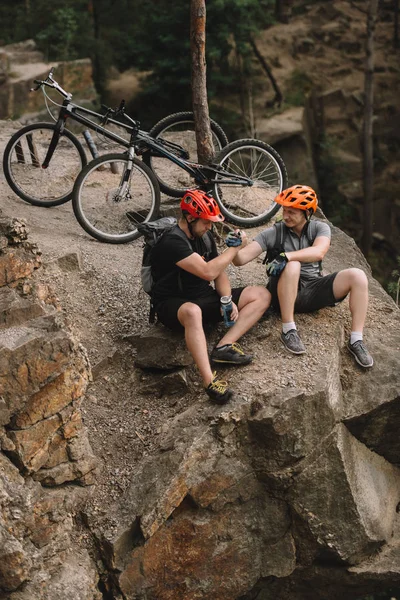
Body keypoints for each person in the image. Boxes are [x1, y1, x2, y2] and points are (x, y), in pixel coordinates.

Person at [230, 184, 373, 368]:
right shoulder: (275, 232)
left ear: (307, 212)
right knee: (293, 266)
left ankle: (356, 340)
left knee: (358, 276)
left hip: (312, 290)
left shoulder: (320, 228)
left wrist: (286, 256)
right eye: (284, 210)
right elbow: (240, 260)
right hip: (281, 295)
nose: (285, 216)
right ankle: (288, 329)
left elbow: (319, 252)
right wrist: (236, 245)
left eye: (292, 212)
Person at [150, 190, 271, 404]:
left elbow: (219, 271)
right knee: (192, 311)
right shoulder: (172, 242)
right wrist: (234, 250)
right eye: (206, 222)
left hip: (202, 295)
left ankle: (224, 346)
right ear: (190, 217)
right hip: (172, 305)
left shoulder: (203, 236)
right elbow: (207, 272)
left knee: (261, 294)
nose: (209, 227)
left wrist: (226, 299)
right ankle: (209, 382)